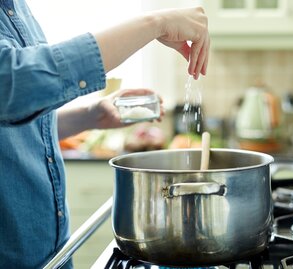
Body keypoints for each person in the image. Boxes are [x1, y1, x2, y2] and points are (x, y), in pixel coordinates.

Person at [0, 0, 210, 268]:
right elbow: (12, 82)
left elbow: (15, 123)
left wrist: (90, 114)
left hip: (52, 253)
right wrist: (155, 24)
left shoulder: (17, 8)